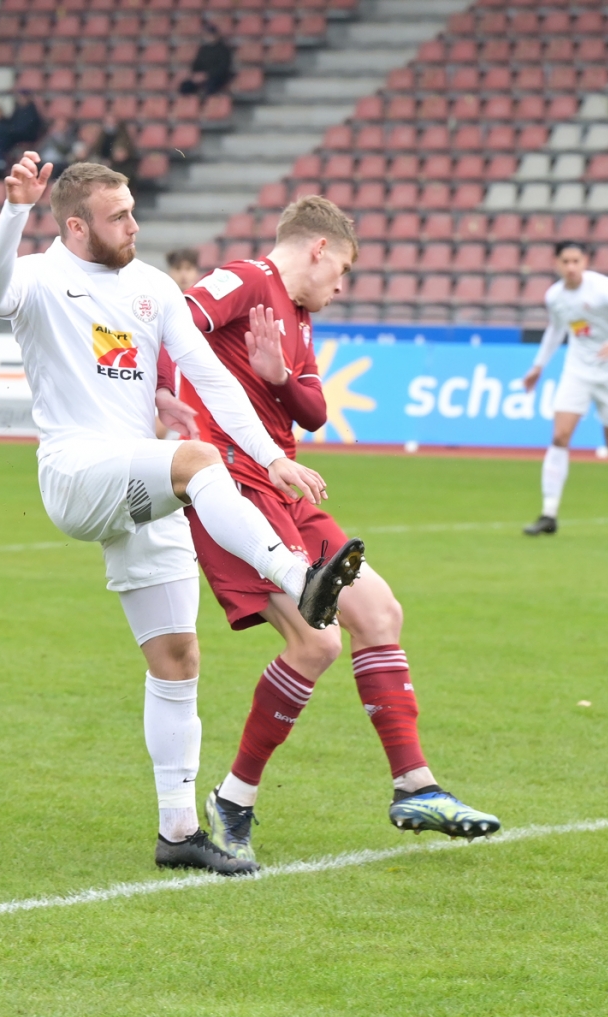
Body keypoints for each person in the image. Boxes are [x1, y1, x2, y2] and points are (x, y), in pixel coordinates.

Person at [0, 157, 366, 875]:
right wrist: (11, 211)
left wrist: (272, 458)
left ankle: (178, 831)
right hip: (78, 471)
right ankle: (294, 575)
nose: (135, 224)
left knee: (178, 658)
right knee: (196, 461)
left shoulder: (153, 288)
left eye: (133, 210)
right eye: (119, 216)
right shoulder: (37, 274)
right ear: (76, 226)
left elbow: (211, 375)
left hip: (138, 482)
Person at [170, 197, 500, 856]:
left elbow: (315, 410)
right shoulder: (243, 280)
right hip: (231, 490)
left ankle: (416, 789)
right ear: (318, 248)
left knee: (379, 611)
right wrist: (168, 407)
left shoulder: (299, 316)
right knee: (315, 643)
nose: (341, 285)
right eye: (342, 268)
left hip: (286, 482)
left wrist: (279, 377)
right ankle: (234, 799)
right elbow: (172, 327)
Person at [519, 240, 608, 534]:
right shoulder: (555, 296)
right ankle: (549, 514)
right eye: (565, 261)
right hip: (578, 370)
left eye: (576, 261)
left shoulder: (604, 289)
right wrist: (538, 366)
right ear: (556, 263)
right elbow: (556, 330)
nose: (571, 267)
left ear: (585, 262)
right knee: (560, 435)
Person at [178, 21, 234, 98]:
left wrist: (207, 75)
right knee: (185, 86)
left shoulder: (223, 49)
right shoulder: (204, 49)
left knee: (210, 87)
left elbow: (223, 68)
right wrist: (195, 74)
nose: (208, 37)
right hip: (202, 76)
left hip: (217, 77)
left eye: (210, 34)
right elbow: (197, 63)